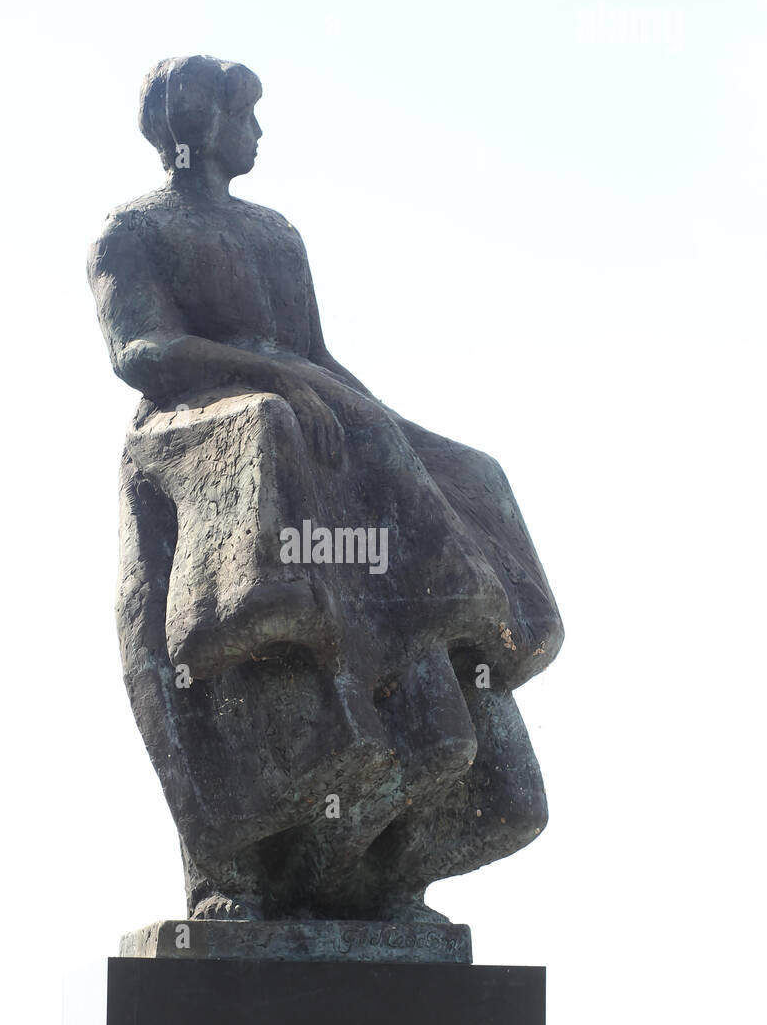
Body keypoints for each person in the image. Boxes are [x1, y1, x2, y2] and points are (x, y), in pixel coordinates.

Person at [88, 56, 563, 923]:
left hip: (298, 406)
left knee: (470, 472)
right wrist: (273, 375)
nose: (260, 133)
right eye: (246, 116)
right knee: (270, 418)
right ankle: (266, 605)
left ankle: (453, 642)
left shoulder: (275, 233)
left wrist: (384, 427)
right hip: (200, 425)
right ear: (199, 126)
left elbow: (319, 354)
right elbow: (141, 354)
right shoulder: (133, 230)